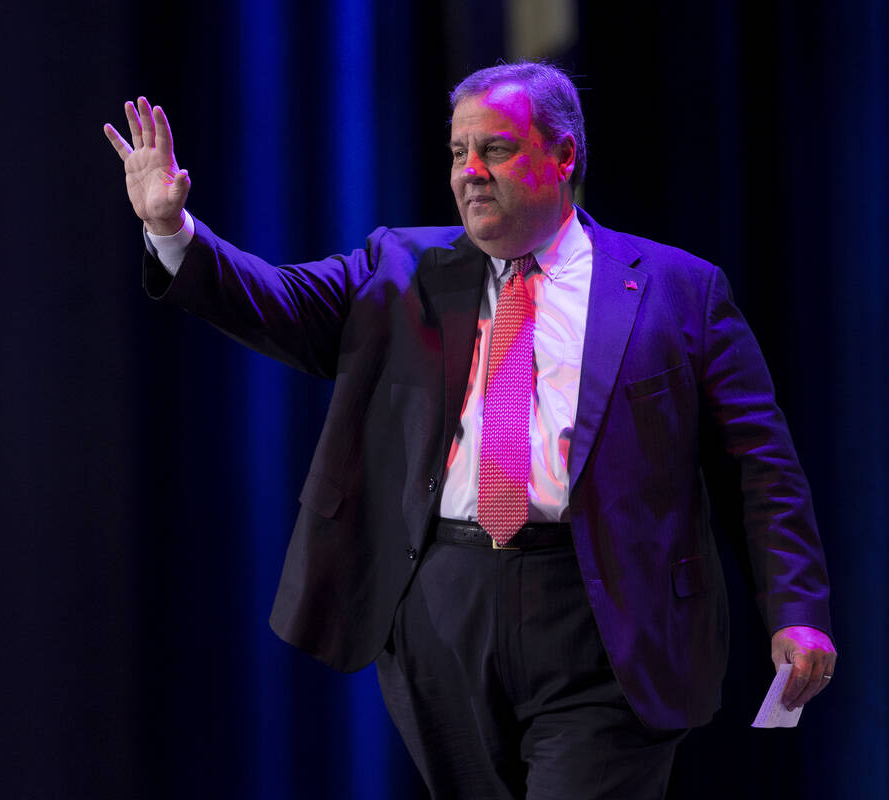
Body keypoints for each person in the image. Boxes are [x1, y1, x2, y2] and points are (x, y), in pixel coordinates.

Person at [104, 61, 836, 798]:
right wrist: (172, 230)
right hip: (440, 608)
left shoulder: (680, 289)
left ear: (565, 155)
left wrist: (797, 611)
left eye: (497, 149)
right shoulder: (398, 267)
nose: (470, 173)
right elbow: (277, 301)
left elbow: (759, 466)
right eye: (458, 152)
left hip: (608, 616)